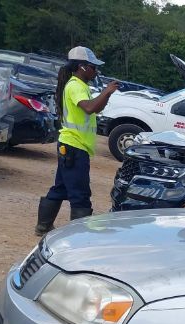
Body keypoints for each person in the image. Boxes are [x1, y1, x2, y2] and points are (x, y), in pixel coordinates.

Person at [35, 46, 120, 236]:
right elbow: (89, 108)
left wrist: (107, 94)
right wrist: (106, 91)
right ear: (82, 67)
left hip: (73, 146)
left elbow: (95, 109)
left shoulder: (81, 86)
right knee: (80, 193)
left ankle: (43, 226)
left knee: (61, 188)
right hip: (74, 147)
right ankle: (80, 236)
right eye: (93, 67)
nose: (96, 71)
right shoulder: (74, 86)